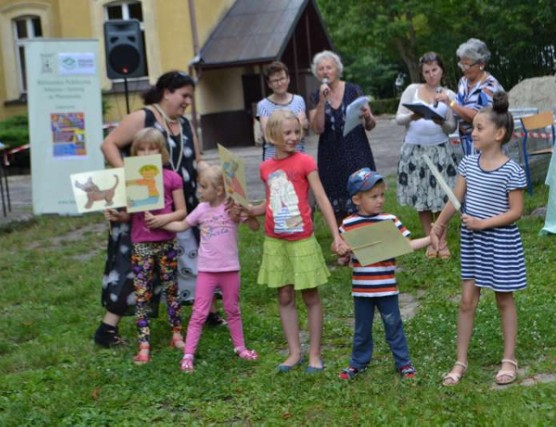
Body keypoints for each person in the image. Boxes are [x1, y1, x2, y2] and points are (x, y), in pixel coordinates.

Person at [94, 71, 222, 349]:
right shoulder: (144, 117)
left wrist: (213, 173)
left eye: (190, 96)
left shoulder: (185, 124)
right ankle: (107, 328)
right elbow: (109, 144)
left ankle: (209, 311)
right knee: (134, 266)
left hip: (180, 205)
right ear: (167, 92)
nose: (188, 101)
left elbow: (196, 159)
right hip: (143, 208)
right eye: (184, 95)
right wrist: (132, 176)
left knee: (195, 255)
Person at [238, 109, 348, 373]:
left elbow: (321, 198)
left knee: (310, 294)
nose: (293, 137)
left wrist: (336, 234)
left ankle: (314, 353)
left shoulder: (305, 162)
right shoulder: (266, 168)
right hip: (276, 241)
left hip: (301, 240)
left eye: (296, 132)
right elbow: (272, 201)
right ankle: (294, 352)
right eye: (287, 132)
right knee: (285, 295)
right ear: (272, 135)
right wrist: (250, 210)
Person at [430, 92, 526, 386]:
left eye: (479, 128)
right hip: (474, 244)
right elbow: (455, 199)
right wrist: (439, 227)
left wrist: (484, 223)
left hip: (501, 243)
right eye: (473, 128)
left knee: (503, 300)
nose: (473, 133)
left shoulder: (511, 169)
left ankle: (509, 359)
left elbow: (517, 212)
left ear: (498, 134)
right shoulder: (468, 165)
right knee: (466, 302)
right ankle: (460, 361)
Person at [153, 165, 260, 372]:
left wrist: (248, 212)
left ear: (219, 189)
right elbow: (182, 225)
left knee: (232, 310)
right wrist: (160, 222)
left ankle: (240, 347)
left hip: (230, 269)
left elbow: (254, 227)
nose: (198, 191)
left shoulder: (232, 207)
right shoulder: (201, 209)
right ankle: (188, 355)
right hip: (207, 271)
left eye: (203, 187)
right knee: (198, 313)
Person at [337, 168, 431, 380]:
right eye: (373, 196)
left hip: (387, 287)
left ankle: (403, 362)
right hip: (362, 290)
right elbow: (343, 254)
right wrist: (342, 254)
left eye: (381, 195)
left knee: (393, 325)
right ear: (357, 199)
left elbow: (407, 244)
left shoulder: (389, 220)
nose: (380, 200)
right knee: (361, 329)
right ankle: (357, 363)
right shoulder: (348, 224)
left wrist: (430, 239)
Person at [104, 128, 187, 364]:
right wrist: (116, 217)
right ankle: (144, 342)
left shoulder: (171, 177)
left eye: (152, 148)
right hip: (141, 244)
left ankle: (176, 333)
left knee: (171, 289)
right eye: (142, 148)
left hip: (167, 241)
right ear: (135, 152)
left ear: (161, 152)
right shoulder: (133, 180)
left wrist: (165, 219)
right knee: (142, 294)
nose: (147, 152)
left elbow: (182, 211)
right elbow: (129, 216)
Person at [395, 52, 459, 259]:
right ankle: (430, 241)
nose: (431, 75)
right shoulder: (412, 90)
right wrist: (413, 115)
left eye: (434, 70)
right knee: (421, 197)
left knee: (442, 197)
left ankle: (442, 240)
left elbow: (451, 127)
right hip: (414, 150)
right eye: (426, 71)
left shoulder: (449, 95)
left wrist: (442, 121)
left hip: (439, 149)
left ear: (442, 71)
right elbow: (399, 119)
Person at [309, 50, 377, 221]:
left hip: (356, 150)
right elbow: (317, 128)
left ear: (337, 70)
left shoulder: (354, 90)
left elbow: (371, 125)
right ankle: (342, 237)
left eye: (329, 67)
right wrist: (322, 101)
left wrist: (367, 116)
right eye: (321, 69)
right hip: (330, 154)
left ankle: (365, 231)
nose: (325, 71)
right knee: (336, 199)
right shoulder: (315, 96)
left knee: (362, 193)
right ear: (317, 73)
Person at [435, 38, 503, 156]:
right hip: (467, 145)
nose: (463, 69)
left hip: (486, 148)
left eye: (467, 65)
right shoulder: (463, 82)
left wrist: (450, 103)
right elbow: (458, 110)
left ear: (481, 64)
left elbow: (477, 117)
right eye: (461, 64)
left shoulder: (490, 86)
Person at [256, 61, 309, 160]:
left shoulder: (299, 100)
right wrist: (295, 128)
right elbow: (269, 136)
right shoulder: (262, 105)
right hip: (273, 159)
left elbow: (301, 132)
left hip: (298, 157)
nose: (280, 83)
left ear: (288, 79)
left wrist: (278, 129)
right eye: (275, 80)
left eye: (282, 78)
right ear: (269, 84)